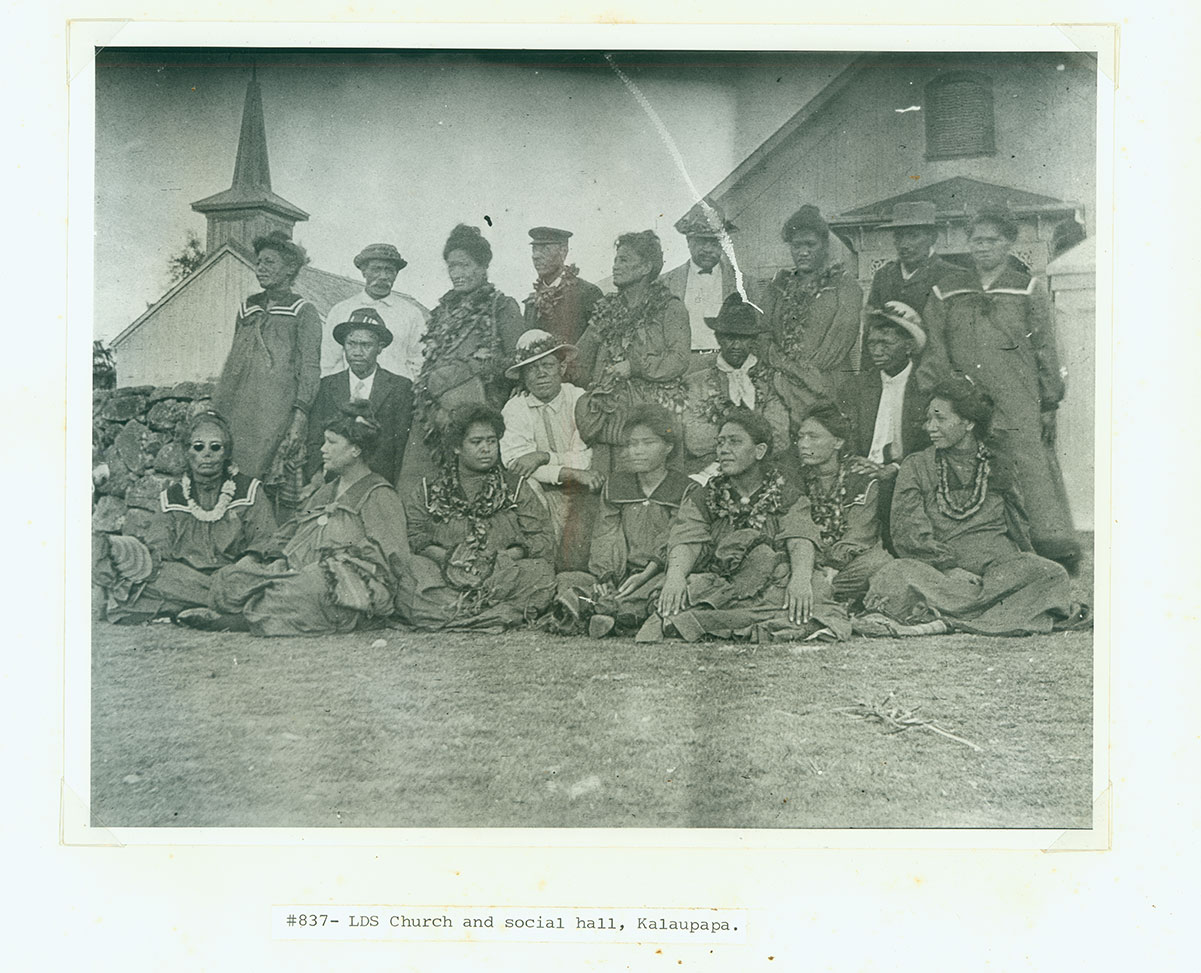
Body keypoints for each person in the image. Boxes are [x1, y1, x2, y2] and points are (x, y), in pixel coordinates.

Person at [918, 205, 1080, 567]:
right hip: (967, 399)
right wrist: (945, 394)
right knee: (970, 465)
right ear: (968, 244)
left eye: (992, 240)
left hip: (1017, 397)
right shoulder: (946, 291)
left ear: (1008, 243)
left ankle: (1048, 551)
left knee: (1027, 467)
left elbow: (1044, 348)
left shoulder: (1027, 289)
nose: (984, 247)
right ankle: (983, 550)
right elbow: (936, 348)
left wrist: (1048, 401)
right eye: (977, 240)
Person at [856, 381, 1077, 637]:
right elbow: (908, 531)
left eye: (939, 419)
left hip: (996, 574)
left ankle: (946, 618)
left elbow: (1019, 525)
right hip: (940, 575)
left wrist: (1024, 565)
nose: (930, 427)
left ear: (969, 423)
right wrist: (948, 568)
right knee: (895, 574)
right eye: (928, 419)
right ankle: (1000, 613)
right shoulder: (916, 465)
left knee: (1052, 574)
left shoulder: (999, 464)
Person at [195, 401, 413, 635]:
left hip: (347, 583)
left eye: (331, 442)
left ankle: (240, 621)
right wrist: (261, 559)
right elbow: (291, 530)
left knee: (306, 588)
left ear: (355, 450)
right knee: (230, 578)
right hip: (298, 572)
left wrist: (345, 566)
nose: (322, 449)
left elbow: (395, 558)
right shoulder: (325, 491)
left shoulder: (379, 494)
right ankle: (259, 610)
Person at [649, 409, 851, 643]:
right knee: (675, 589)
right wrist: (675, 577)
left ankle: (705, 622)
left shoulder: (786, 493)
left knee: (814, 591)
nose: (724, 450)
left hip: (770, 580)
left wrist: (800, 579)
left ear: (759, 451)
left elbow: (800, 539)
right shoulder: (704, 495)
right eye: (721, 442)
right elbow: (687, 539)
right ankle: (753, 621)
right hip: (722, 579)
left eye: (734, 442)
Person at [93, 411, 278, 624]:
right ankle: (224, 607)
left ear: (226, 453)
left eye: (215, 447)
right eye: (198, 447)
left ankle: (196, 606)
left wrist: (243, 567)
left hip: (235, 574)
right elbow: (159, 550)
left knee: (251, 580)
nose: (207, 453)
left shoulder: (249, 490)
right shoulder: (173, 497)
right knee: (147, 578)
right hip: (184, 578)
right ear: (187, 453)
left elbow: (265, 540)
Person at [397, 404, 556, 632]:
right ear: (457, 448)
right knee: (413, 571)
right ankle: (491, 613)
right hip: (445, 575)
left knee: (541, 573)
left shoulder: (515, 486)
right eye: (476, 442)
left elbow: (543, 538)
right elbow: (414, 535)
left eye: (492, 441)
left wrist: (502, 558)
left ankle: (460, 613)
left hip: (502, 575)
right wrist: (448, 558)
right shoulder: (428, 488)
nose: (486, 449)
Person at [552, 405, 698, 638]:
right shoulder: (616, 485)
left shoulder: (685, 489)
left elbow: (677, 537)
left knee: (670, 588)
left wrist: (646, 573)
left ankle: (607, 611)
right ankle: (604, 606)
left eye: (648, 443)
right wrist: (606, 576)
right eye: (632, 444)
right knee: (567, 580)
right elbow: (606, 534)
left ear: (668, 447)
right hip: (622, 575)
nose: (637, 451)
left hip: (658, 571)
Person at [402, 224, 524, 487]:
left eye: (464, 265)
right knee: (420, 483)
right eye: (451, 267)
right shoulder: (441, 313)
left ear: (483, 267)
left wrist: (467, 370)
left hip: (479, 417)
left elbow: (518, 363)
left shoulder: (501, 306)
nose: (456, 274)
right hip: (433, 415)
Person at [212, 230, 322, 513]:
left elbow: (309, 366)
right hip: (238, 410)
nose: (261, 267)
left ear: (290, 269)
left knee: (269, 482)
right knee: (230, 476)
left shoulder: (302, 311)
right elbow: (235, 359)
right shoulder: (248, 308)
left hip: (276, 412)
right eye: (259, 261)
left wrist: (300, 413)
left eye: (270, 262)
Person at [574, 230, 691, 474]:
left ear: (646, 267)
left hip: (653, 411)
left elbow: (679, 360)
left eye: (624, 260)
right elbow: (579, 357)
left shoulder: (670, 307)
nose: (615, 266)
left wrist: (635, 367)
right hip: (609, 412)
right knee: (612, 481)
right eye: (616, 260)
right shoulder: (606, 309)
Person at [499, 329, 604, 566]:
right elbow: (517, 465)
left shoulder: (579, 399)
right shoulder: (515, 408)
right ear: (523, 377)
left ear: (562, 368)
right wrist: (570, 472)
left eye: (547, 364)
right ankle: (543, 564)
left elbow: (586, 457)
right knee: (527, 487)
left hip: (580, 487)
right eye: (532, 368)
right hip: (539, 492)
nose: (541, 374)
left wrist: (544, 456)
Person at [838, 301, 931, 552]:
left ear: (909, 346)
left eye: (886, 344)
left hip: (906, 478)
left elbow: (930, 446)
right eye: (872, 343)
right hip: (860, 475)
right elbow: (842, 434)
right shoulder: (856, 387)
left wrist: (896, 468)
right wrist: (854, 461)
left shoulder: (925, 389)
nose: (876, 351)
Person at [680, 292, 793, 478]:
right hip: (710, 468)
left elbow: (780, 437)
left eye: (744, 338)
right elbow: (695, 440)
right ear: (718, 338)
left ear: (754, 340)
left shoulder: (771, 380)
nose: (736, 345)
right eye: (729, 337)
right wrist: (749, 439)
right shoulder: (696, 383)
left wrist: (727, 438)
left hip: (762, 468)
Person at [793, 404, 893, 607]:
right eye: (801, 437)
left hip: (849, 563)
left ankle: (822, 596)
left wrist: (834, 565)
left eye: (813, 437)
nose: (803, 444)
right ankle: (826, 596)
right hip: (810, 562)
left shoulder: (861, 478)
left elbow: (860, 534)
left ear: (838, 442)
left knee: (879, 563)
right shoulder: (796, 479)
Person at [760, 205, 863, 396]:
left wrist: (804, 377)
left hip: (827, 385)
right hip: (781, 384)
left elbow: (841, 338)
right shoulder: (777, 287)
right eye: (796, 246)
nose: (803, 252)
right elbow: (762, 334)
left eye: (810, 244)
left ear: (824, 245)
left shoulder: (844, 285)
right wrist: (785, 368)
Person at [306, 308, 414, 484]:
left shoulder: (400, 388)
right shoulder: (327, 385)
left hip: (380, 481)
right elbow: (314, 436)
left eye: (366, 345)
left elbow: (401, 444)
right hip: (334, 481)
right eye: (351, 344)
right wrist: (316, 475)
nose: (357, 352)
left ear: (380, 348)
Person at [861, 201, 955, 371]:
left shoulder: (950, 276)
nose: (904, 244)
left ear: (932, 237)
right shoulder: (884, 276)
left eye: (913, 236)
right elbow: (871, 331)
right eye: (899, 236)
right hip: (891, 376)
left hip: (934, 376)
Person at [321, 243, 430, 382]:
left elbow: (418, 361)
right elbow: (328, 361)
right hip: (350, 395)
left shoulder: (411, 314)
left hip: (395, 396)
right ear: (364, 272)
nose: (383, 276)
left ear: (396, 274)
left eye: (389, 270)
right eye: (376, 269)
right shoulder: (341, 310)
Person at [660, 200, 741, 370]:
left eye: (714, 242)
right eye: (701, 241)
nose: (707, 249)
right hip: (683, 366)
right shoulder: (665, 284)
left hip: (727, 365)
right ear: (689, 241)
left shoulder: (742, 284)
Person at [521, 226, 603, 346]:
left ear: (563, 252)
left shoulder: (587, 293)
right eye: (534, 249)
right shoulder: (531, 303)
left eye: (545, 249)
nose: (536, 256)